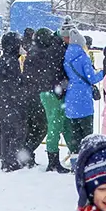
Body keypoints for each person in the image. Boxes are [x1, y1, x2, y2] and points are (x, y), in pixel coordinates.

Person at [24, 28, 73, 173]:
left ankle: (30, 155)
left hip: (39, 94)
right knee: (54, 126)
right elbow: (52, 73)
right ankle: (52, 161)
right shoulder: (47, 54)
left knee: (50, 126)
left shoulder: (34, 53)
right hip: (50, 94)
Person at [0, 32, 27, 171]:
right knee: (15, 132)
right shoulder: (12, 61)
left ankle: (6, 160)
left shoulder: (3, 59)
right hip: (11, 102)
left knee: (6, 132)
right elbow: (15, 84)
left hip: (3, 101)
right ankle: (11, 161)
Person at [63, 30, 103, 150]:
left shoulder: (66, 56)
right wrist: (104, 72)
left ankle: (75, 161)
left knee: (75, 135)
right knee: (87, 136)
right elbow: (91, 78)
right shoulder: (83, 57)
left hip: (71, 97)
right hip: (83, 99)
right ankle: (87, 161)